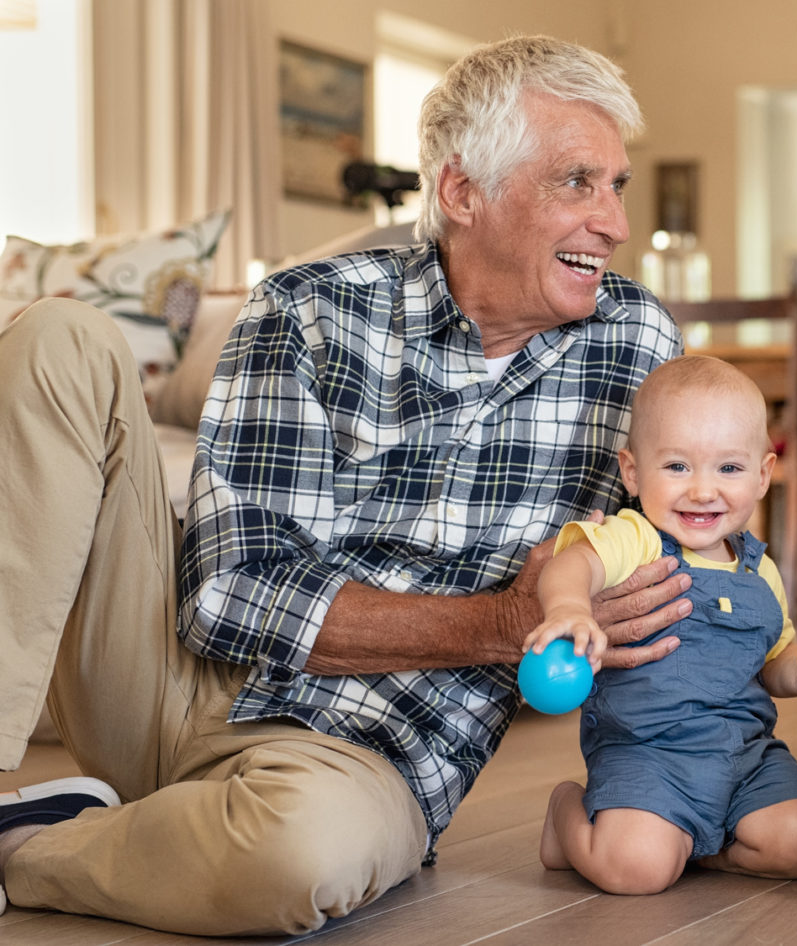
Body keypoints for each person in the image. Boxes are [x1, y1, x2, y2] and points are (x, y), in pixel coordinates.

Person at [0, 35, 689, 935]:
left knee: (300, 858)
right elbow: (223, 598)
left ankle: (33, 847)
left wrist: (753, 782)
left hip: (368, 759)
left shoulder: (636, 346)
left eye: (616, 186)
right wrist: (499, 624)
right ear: (461, 191)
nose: (614, 222)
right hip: (168, 684)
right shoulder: (309, 308)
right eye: (576, 183)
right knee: (58, 339)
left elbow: (670, 584)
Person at [524, 355, 797, 895]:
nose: (703, 490)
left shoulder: (763, 571)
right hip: (648, 754)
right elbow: (573, 564)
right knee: (636, 871)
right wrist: (569, 606)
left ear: (763, 475)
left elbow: (772, 666)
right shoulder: (635, 537)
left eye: (728, 469)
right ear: (633, 472)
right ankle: (566, 814)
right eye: (678, 467)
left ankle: (697, 850)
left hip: (746, 755)